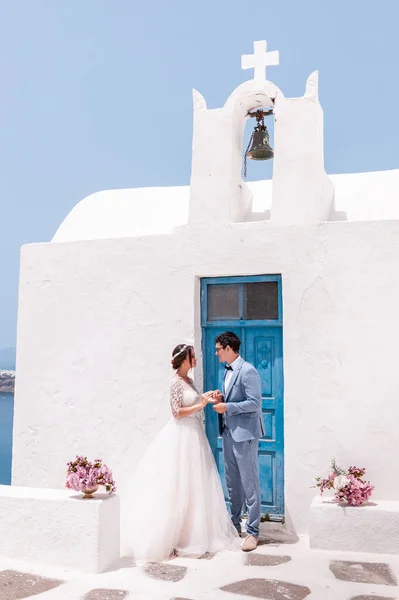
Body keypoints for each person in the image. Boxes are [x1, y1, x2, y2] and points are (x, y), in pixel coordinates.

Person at [128, 344, 239, 563]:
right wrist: (202, 404)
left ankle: (193, 533)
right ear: (184, 360)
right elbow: (177, 412)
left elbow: (195, 401)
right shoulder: (175, 382)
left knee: (197, 484)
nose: (196, 358)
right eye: (192, 356)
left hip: (194, 435)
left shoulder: (188, 380)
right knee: (179, 483)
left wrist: (208, 397)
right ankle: (173, 536)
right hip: (182, 436)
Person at [212, 331, 264, 552]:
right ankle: (234, 525)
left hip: (245, 435)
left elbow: (254, 403)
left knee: (249, 483)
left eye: (218, 349)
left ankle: (253, 532)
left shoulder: (248, 370)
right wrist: (221, 399)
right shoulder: (226, 371)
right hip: (228, 433)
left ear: (229, 348)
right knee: (232, 482)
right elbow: (233, 398)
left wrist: (229, 407)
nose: (216, 353)